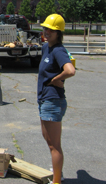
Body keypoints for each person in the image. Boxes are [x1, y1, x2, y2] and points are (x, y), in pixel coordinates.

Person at [38, 14, 75, 184]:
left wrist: (56, 79)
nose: (47, 32)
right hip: (45, 100)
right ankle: (57, 172)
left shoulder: (59, 50)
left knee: (54, 145)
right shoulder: (47, 47)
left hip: (53, 101)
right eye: (45, 28)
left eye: (51, 30)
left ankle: (57, 181)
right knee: (49, 140)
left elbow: (70, 70)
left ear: (59, 32)